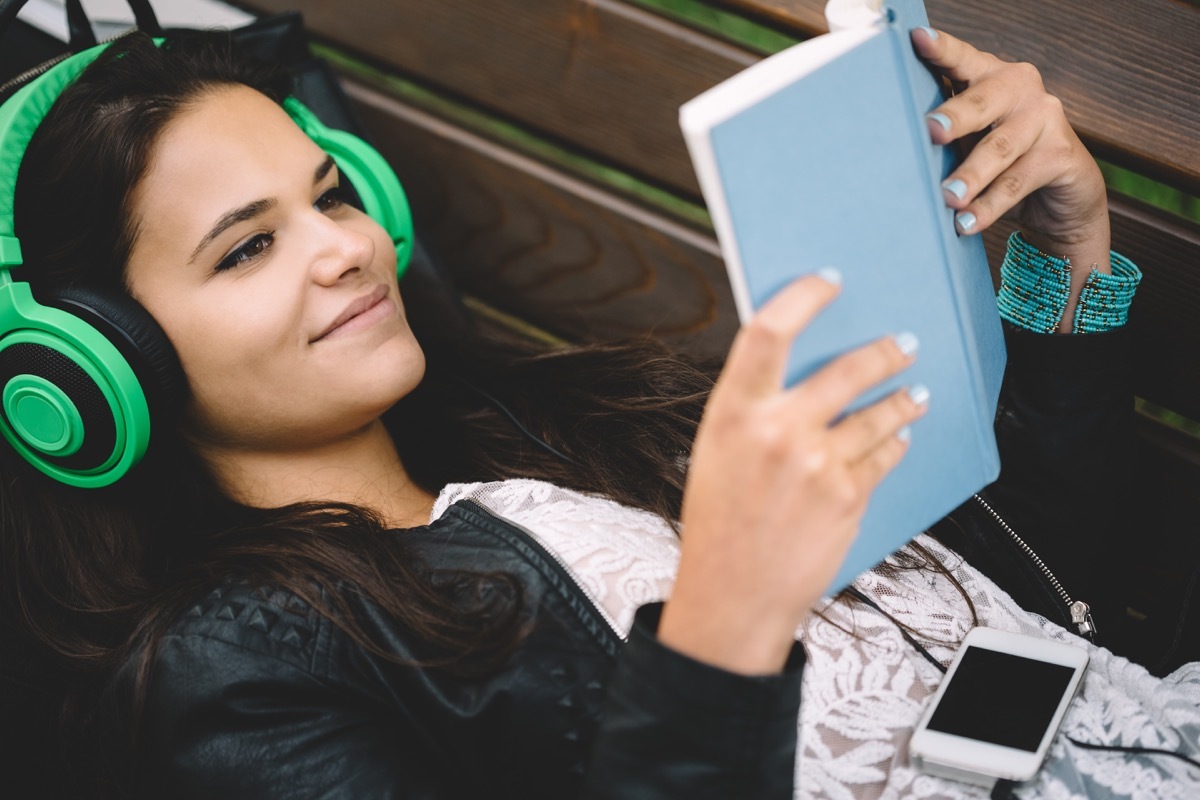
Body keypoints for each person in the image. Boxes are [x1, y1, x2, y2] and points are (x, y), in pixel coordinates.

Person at [1, 21, 1195, 800]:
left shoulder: (563, 429)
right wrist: (725, 623)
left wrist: (1063, 262)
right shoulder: (234, 684)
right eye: (248, 246)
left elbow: (1042, 606)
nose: (349, 249)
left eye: (329, 195)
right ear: (97, 364)